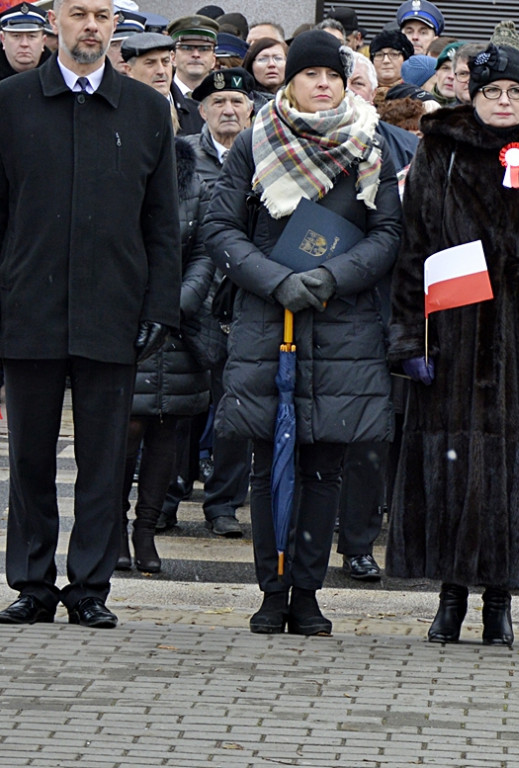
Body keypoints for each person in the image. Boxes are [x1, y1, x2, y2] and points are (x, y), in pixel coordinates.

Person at [203, 30, 402, 636]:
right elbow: (220, 226)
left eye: (333, 76)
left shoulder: (370, 144)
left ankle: (309, 593)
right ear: (287, 80)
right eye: (310, 74)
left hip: (343, 327)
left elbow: (389, 234)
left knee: (324, 469)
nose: (323, 84)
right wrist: (272, 281)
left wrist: (329, 277)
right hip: (271, 324)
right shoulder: (257, 141)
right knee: (268, 468)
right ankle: (271, 590)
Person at [0, 0, 180, 629]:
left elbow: (163, 222)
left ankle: (91, 587)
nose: (92, 26)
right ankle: (30, 582)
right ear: (55, 23)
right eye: (79, 13)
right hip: (29, 307)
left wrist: (161, 304)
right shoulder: (11, 101)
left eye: (102, 14)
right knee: (29, 454)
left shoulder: (148, 109)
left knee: (104, 458)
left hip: (115, 308)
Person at [387, 43, 519, 650]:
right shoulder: (438, 149)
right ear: (472, 94)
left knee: (515, 466)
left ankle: (501, 600)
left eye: (514, 93)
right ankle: (449, 596)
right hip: (457, 325)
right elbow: (415, 246)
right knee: (451, 465)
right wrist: (412, 333)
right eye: (493, 92)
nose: (504, 103)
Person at [118, 130, 213, 572]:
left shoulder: (192, 182)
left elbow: (206, 251)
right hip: (125, 320)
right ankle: (114, 527)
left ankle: (146, 529)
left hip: (179, 324)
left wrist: (176, 301)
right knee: (125, 431)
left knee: (166, 431)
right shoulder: (116, 170)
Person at [184, 66, 257, 537]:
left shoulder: (266, 154)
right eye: (218, 103)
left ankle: (224, 503)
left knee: (236, 408)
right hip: (194, 299)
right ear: (203, 110)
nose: (228, 110)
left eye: (237, 102)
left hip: (246, 300)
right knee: (183, 407)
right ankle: (168, 496)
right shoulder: (184, 154)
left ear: (251, 108)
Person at [167, 13, 218, 133]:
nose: (196, 54)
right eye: (187, 48)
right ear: (172, 58)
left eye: (204, 49)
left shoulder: (224, 98)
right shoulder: (162, 97)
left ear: (213, 60)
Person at [0, 1, 49, 81]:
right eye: (16, 36)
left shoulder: (61, 76)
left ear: (43, 41)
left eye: (31, 36)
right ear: (3, 39)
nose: (24, 44)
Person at [242, 36, 287, 111]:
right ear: (250, 65)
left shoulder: (299, 100)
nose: (271, 64)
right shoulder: (242, 101)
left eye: (278, 58)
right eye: (263, 59)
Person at [370, 29, 412, 100]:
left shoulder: (416, 93)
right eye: (379, 55)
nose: (386, 61)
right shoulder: (361, 93)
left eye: (394, 54)